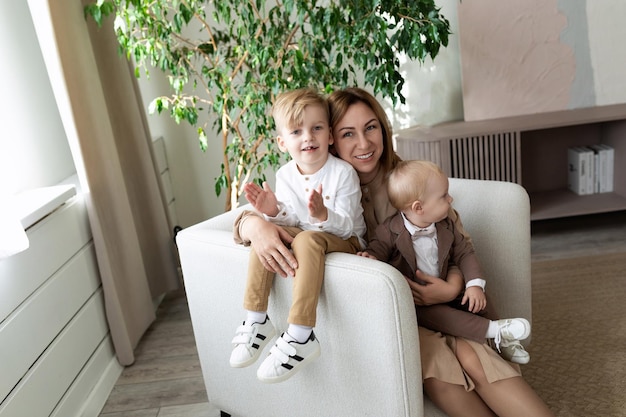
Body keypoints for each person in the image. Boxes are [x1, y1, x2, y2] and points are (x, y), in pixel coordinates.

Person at [234, 87, 553, 416]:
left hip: (448, 303)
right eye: (348, 133)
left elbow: (457, 240)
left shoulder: (411, 180)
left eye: (371, 127)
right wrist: (253, 226)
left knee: (474, 356)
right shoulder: (320, 186)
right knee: (436, 361)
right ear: (332, 139)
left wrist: (454, 285)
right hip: (399, 319)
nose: (364, 143)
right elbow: (269, 214)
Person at [229, 87, 366, 384]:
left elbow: (349, 227)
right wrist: (273, 211)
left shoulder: (343, 173)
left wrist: (322, 215)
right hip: (309, 237)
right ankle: (256, 318)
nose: (308, 137)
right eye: (296, 131)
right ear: (282, 142)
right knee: (269, 233)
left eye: (317, 128)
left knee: (305, 238)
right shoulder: (285, 175)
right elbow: (291, 220)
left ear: (329, 135)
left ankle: (302, 334)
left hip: (346, 241)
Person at [357, 159, 531, 364]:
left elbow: (465, 253)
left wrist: (474, 285)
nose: (450, 199)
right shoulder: (389, 231)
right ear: (418, 207)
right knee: (442, 316)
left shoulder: (445, 225)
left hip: (450, 288)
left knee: (480, 299)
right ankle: (494, 331)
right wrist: (371, 257)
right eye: (443, 196)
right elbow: (378, 248)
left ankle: (504, 339)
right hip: (420, 303)